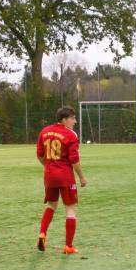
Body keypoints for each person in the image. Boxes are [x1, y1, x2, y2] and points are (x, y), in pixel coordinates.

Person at [36, 106, 87, 254]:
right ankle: (68, 246)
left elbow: (39, 155)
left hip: (49, 175)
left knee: (51, 205)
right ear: (64, 120)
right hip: (65, 176)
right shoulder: (71, 135)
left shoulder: (44, 131)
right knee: (70, 209)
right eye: (72, 118)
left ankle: (42, 233)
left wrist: (49, 166)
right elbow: (74, 161)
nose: (75, 121)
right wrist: (82, 177)